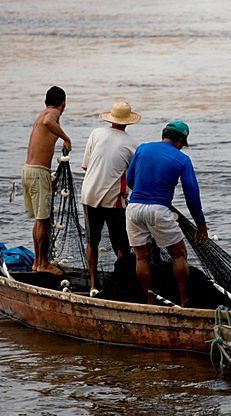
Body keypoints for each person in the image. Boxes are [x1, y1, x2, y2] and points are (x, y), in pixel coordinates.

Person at [126, 121, 207, 306]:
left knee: (141, 257)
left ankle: (150, 300)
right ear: (179, 140)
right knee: (179, 255)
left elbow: (130, 179)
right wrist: (200, 223)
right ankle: (185, 301)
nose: (181, 147)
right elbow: (192, 195)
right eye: (182, 143)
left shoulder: (142, 149)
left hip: (134, 207)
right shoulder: (182, 159)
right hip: (159, 210)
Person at [80, 101, 141, 293]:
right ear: (128, 122)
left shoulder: (96, 134)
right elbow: (132, 177)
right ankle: (121, 282)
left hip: (89, 194)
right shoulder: (132, 144)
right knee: (122, 243)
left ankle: (93, 284)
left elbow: (87, 166)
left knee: (92, 241)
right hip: (113, 199)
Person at [22, 85, 71, 275]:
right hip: (38, 172)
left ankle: (38, 262)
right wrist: (66, 138)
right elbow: (49, 122)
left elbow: (46, 124)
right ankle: (42, 264)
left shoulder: (42, 113)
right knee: (43, 220)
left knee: (41, 220)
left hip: (29, 170)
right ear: (63, 104)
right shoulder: (52, 114)